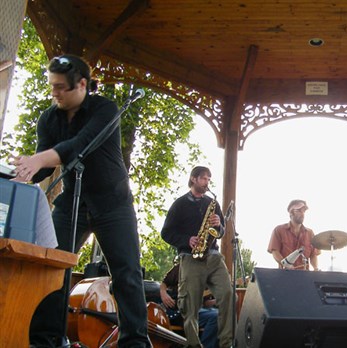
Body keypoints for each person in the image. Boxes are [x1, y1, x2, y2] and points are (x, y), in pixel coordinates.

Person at [10, 54, 150, 347]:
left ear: (82, 84)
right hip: (72, 201)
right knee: (51, 268)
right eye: (52, 86)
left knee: (126, 273)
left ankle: (134, 342)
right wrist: (20, 172)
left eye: (61, 87)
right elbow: (45, 167)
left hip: (113, 203)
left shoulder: (105, 109)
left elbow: (79, 145)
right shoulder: (49, 118)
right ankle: (45, 339)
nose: (54, 93)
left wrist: (37, 160)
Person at [161, 166, 233, 348]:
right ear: (193, 179)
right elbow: (166, 233)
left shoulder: (213, 204)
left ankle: (227, 343)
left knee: (228, 294)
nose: (207, 182)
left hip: (214, 257)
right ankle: (194, 345)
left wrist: (219, 225)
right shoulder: (179, 204)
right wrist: (187, 240)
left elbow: (221, 232)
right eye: (203, 178)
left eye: (209, 179)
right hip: (191, 257)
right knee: (190, 306)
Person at [159, 262, 219, 348]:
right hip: (179, 312)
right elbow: (164, 283)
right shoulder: (182, 266)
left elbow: (205, 303)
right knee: (216, 316)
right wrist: (163, 294)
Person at [267, 199, 320, 271]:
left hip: (305, 277)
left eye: (304, 211)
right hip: (285, 275)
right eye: (299, 211)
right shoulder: (279, 230)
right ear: (291, 213)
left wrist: (315, 267)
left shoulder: (310, 233)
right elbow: (275, 252)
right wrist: (287, 265)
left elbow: (313, 255)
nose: (302, 214)